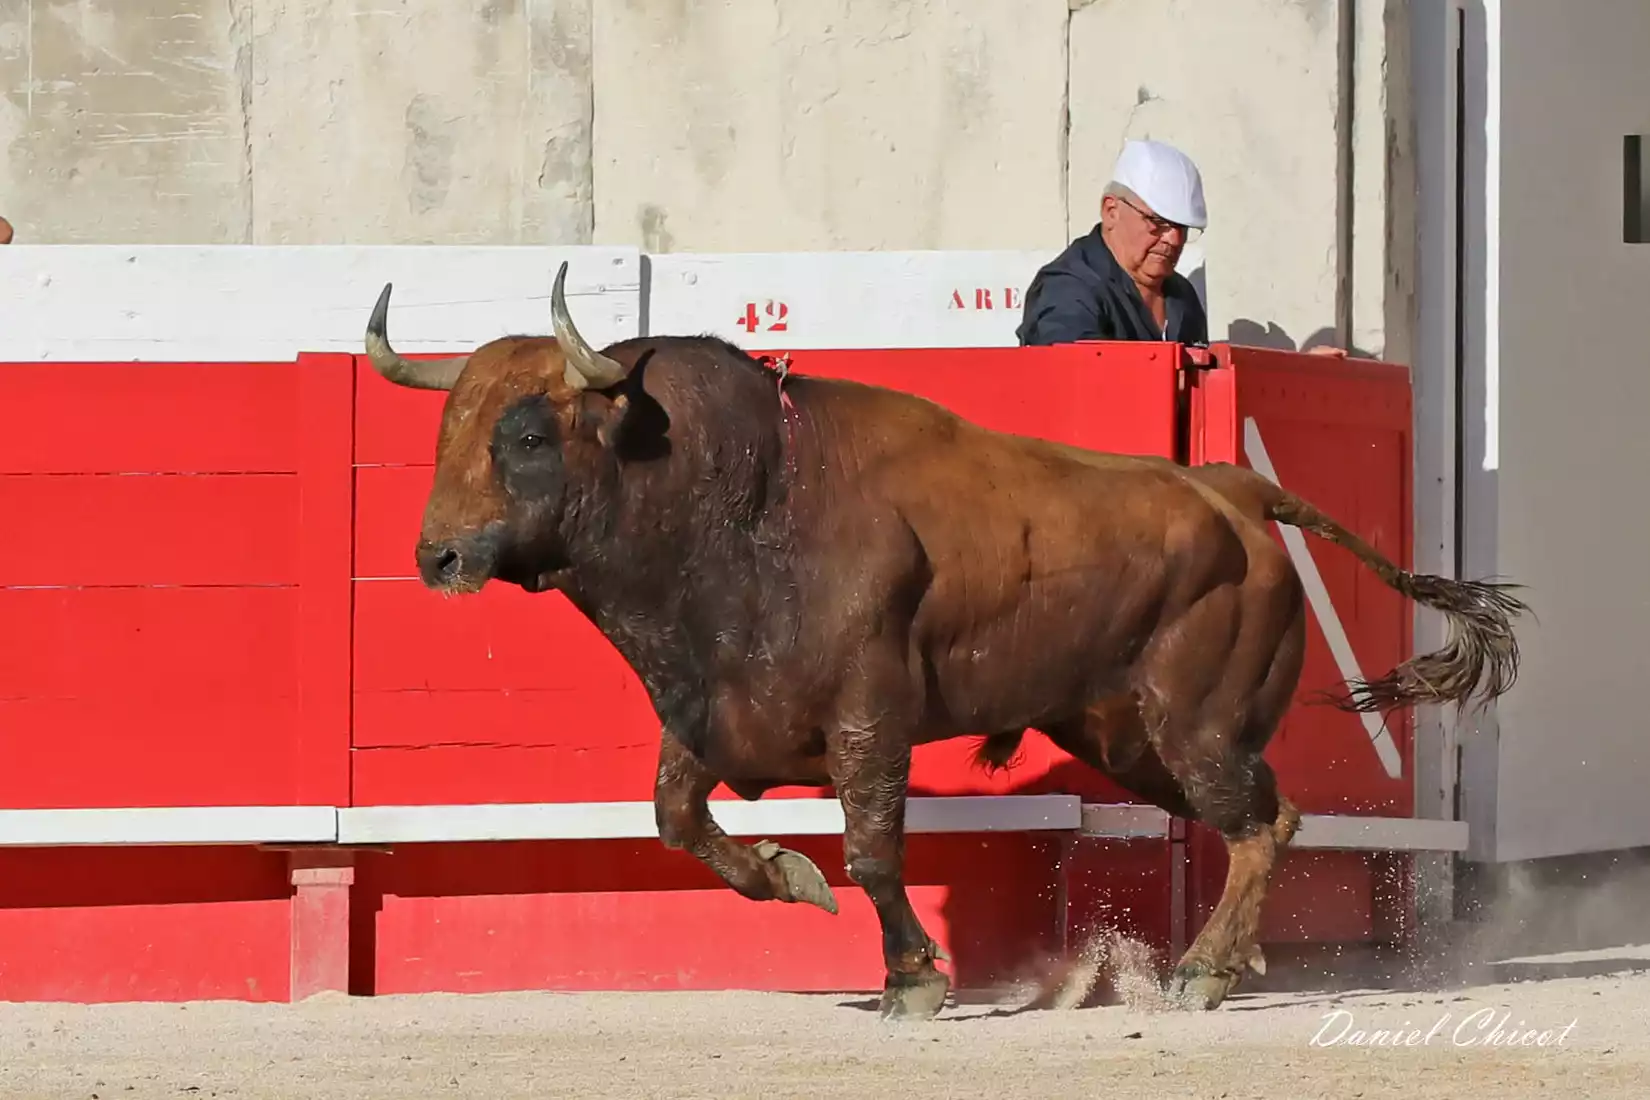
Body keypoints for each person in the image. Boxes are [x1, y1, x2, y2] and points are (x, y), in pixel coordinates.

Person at [1016, 139, 1347, 357]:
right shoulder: (1068, 289)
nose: (1173, 239)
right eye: (1157, 222)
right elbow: (1080, 380)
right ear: (1111, 211)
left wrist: (1292, 370)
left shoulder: (1181, 297)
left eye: (1182, 228)